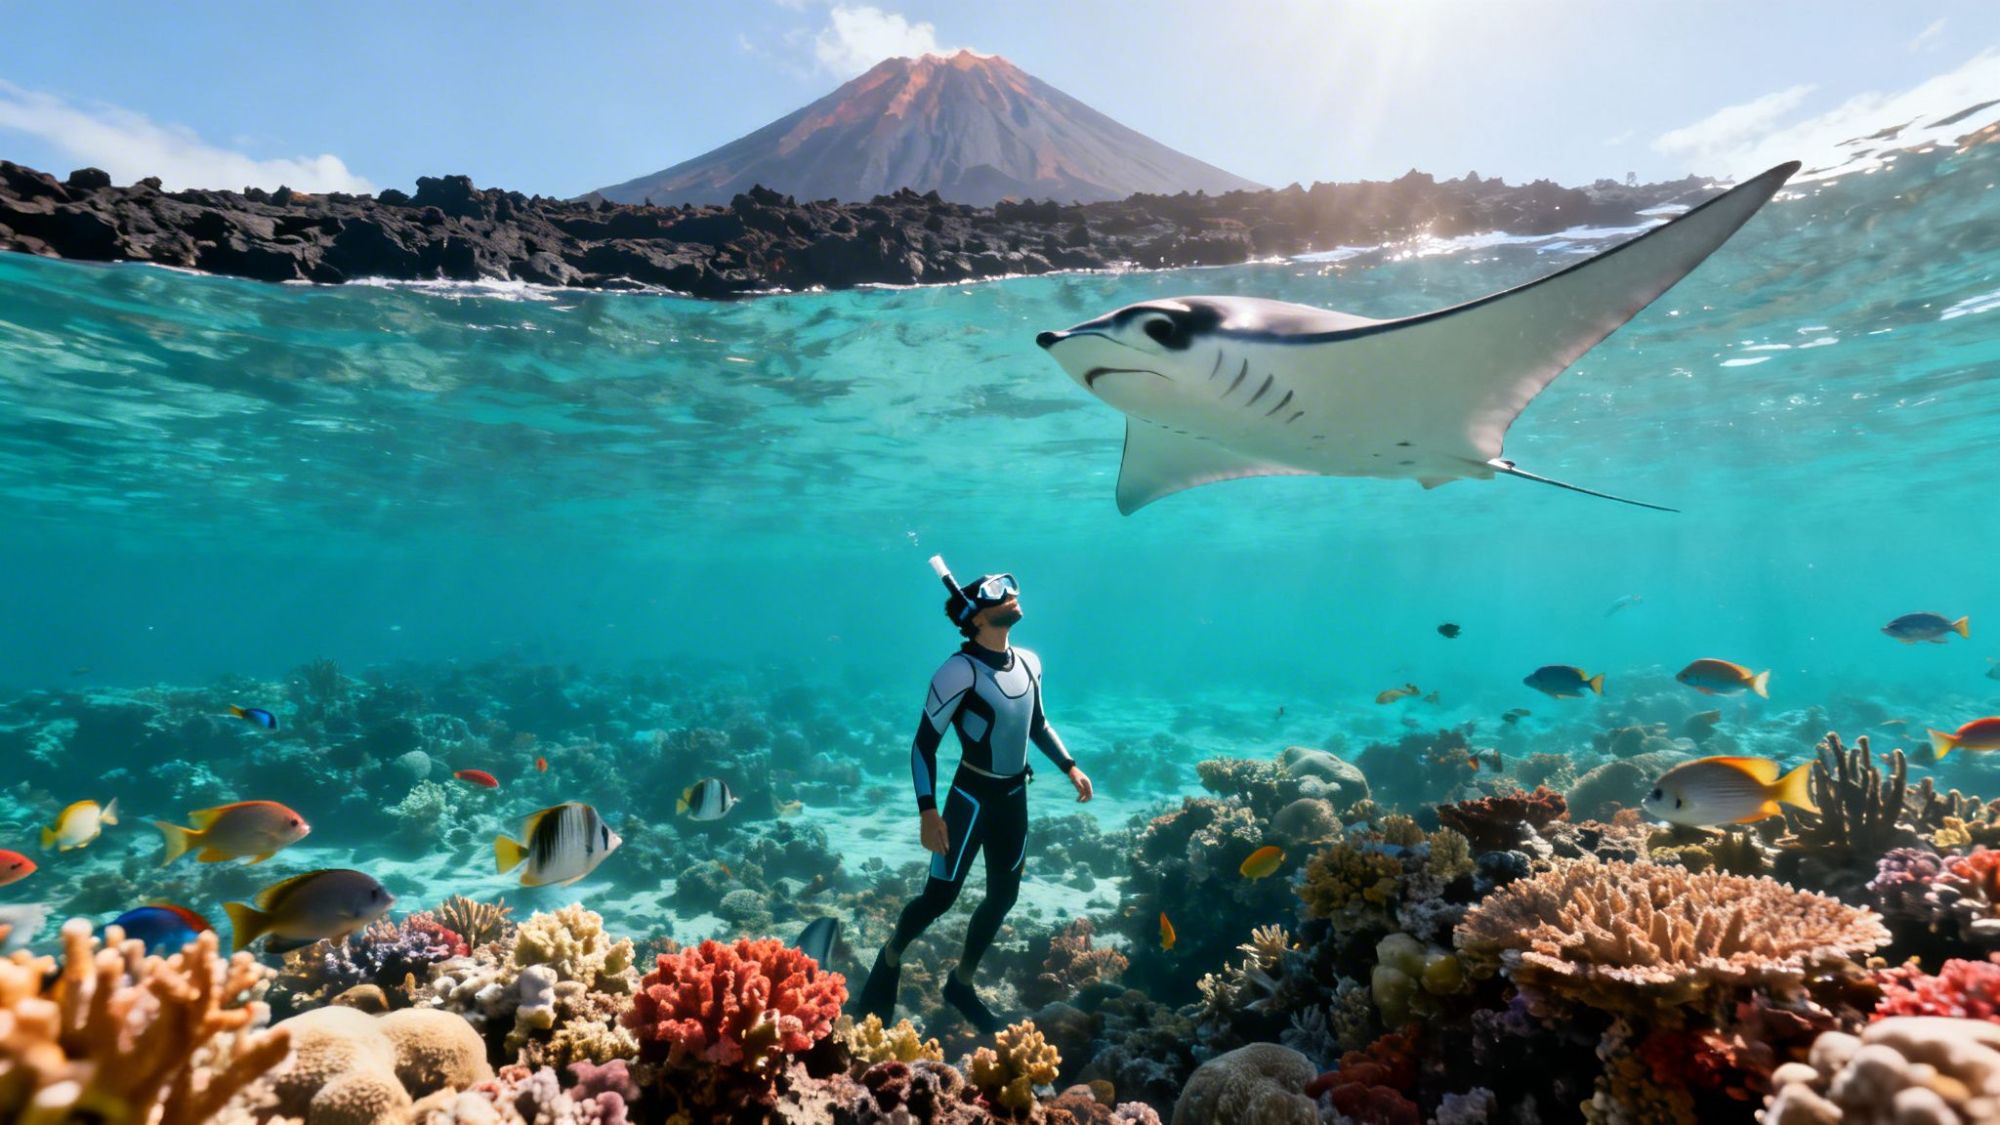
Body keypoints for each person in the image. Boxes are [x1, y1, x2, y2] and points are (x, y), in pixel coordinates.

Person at [850, 570, 1093, 1033]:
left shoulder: (1030, 662)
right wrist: (927, 811)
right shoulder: (957, 671)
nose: (1013, 595)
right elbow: (924, 744)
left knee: (1004, 897)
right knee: (940, 898)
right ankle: (892, 955)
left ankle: (960, 983)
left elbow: (1038, 724)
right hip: (970, 798)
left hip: (1013, 797)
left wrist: (1069, 766)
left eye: (1013, 587)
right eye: (999, 592)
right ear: (976, 616)